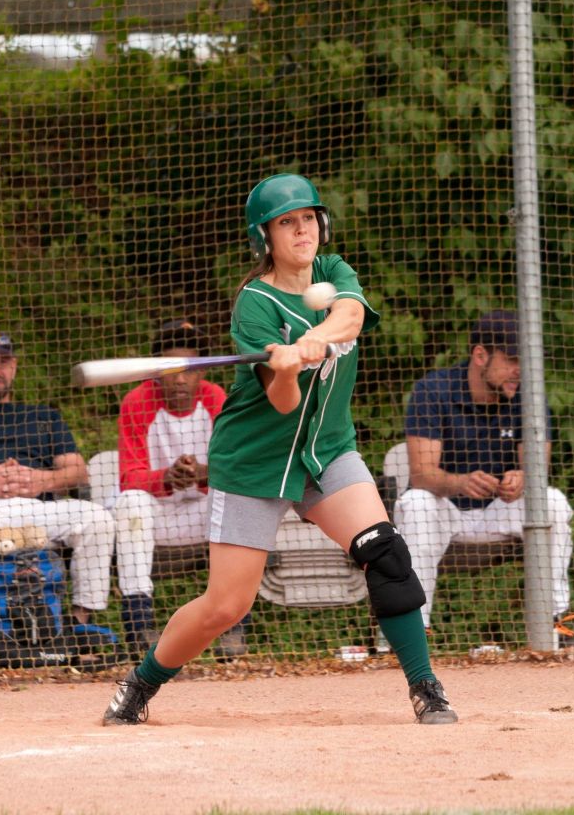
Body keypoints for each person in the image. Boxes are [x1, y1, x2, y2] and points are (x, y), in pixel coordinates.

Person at [102, 173, 458, 726]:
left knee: (385, 551)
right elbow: (283, 402)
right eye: (286, 223)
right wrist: (286, 366)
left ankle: (425, 686)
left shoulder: (334, 272)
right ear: (264, 236)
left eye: (308, 218)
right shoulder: (255, 303)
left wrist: (317, 338)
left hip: (327, 450)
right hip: (256, 461)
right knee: (226, 606)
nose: (301, 230)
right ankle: (140, 683)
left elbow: (351, 316)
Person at [394, 310, 574, 647]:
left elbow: (537, 466)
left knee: (552, 501)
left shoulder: (529, 395)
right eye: (512, 359)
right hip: (444, 512)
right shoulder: (433, 390)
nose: (520, 370)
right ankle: (412, 634)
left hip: (499, 510)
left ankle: (556, 626)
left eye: (526, 361)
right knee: (415, 503)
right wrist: (460, 482)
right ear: (480, 355)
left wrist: (524, 478)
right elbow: (421, 474)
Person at [0, 327, 115, 636]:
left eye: (2, 362)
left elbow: (78, 472)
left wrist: (42, 480)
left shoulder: (43, 416)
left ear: (13, 366)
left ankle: (79, 625)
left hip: (40, 507)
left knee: (98, 519)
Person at [114, 317, 249, 657]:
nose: (180, 379)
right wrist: (166, 478)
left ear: (201, 371)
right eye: (171, 368)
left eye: (189, 369)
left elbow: (236, 467)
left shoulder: (216, 398)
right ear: (157, 371)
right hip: (156, 516)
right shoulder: (137, 401)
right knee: (130, 502)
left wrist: (202, 473)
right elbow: (129, 477)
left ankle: (232, 626)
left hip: (204, 514)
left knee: (234, 495)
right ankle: (139, 625)